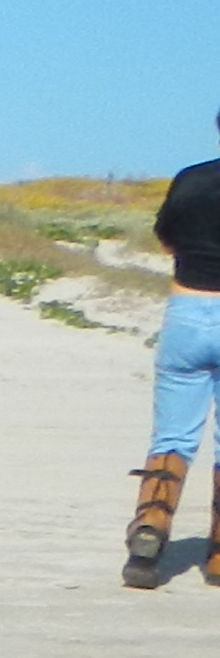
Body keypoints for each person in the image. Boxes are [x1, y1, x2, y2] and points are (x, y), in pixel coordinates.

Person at [127, 117, 220, 588]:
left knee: (172, 436)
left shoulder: (190, 179)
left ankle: (151, 527)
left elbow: (167, 238)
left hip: (187, 308)